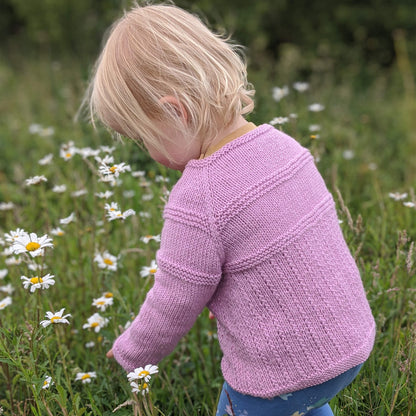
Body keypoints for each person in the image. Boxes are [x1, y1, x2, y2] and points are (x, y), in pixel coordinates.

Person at [83, 3, 376, 415]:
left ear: (175, 111)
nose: (149, 154)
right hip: (348, 344)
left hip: (281, 374)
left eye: (143, 139)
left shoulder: (199, 197)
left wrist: (134, 352)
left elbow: (174, 299)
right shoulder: (285, 147)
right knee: (307, 405)